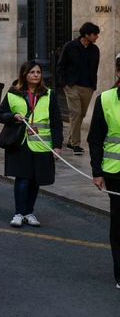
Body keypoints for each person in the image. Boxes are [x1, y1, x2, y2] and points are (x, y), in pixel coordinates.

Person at [0, 61, 62, 228]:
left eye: (38, 72)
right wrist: (13, 116)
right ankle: (19, 213)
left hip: (41, 144)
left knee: (35, 180)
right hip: (21, 142)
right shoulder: (13, 93)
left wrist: (57, 146)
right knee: (23, 179)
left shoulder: (49, 94)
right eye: (32, 72)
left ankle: (29, 212)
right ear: (24, 74)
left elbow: (56, 121)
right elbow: (0, 115)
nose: (35, 75)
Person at [88, 55, 120, 290]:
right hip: (115, 172)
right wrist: (97, 171)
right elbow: (95, 138)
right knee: (119, 224)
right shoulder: (106, 99)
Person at [57, 21, 100, 155]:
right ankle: (76, 144)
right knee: (75, 113)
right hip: (72, 86)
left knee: (81, 114)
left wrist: (93, 86)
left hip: (87, 87)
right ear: (86, 34)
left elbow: (95, 69)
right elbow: (61, 65)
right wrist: (64, 83)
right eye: (95, 34)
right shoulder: (70, 46)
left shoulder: (95, 50)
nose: (97, 37)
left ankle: (70, 140)